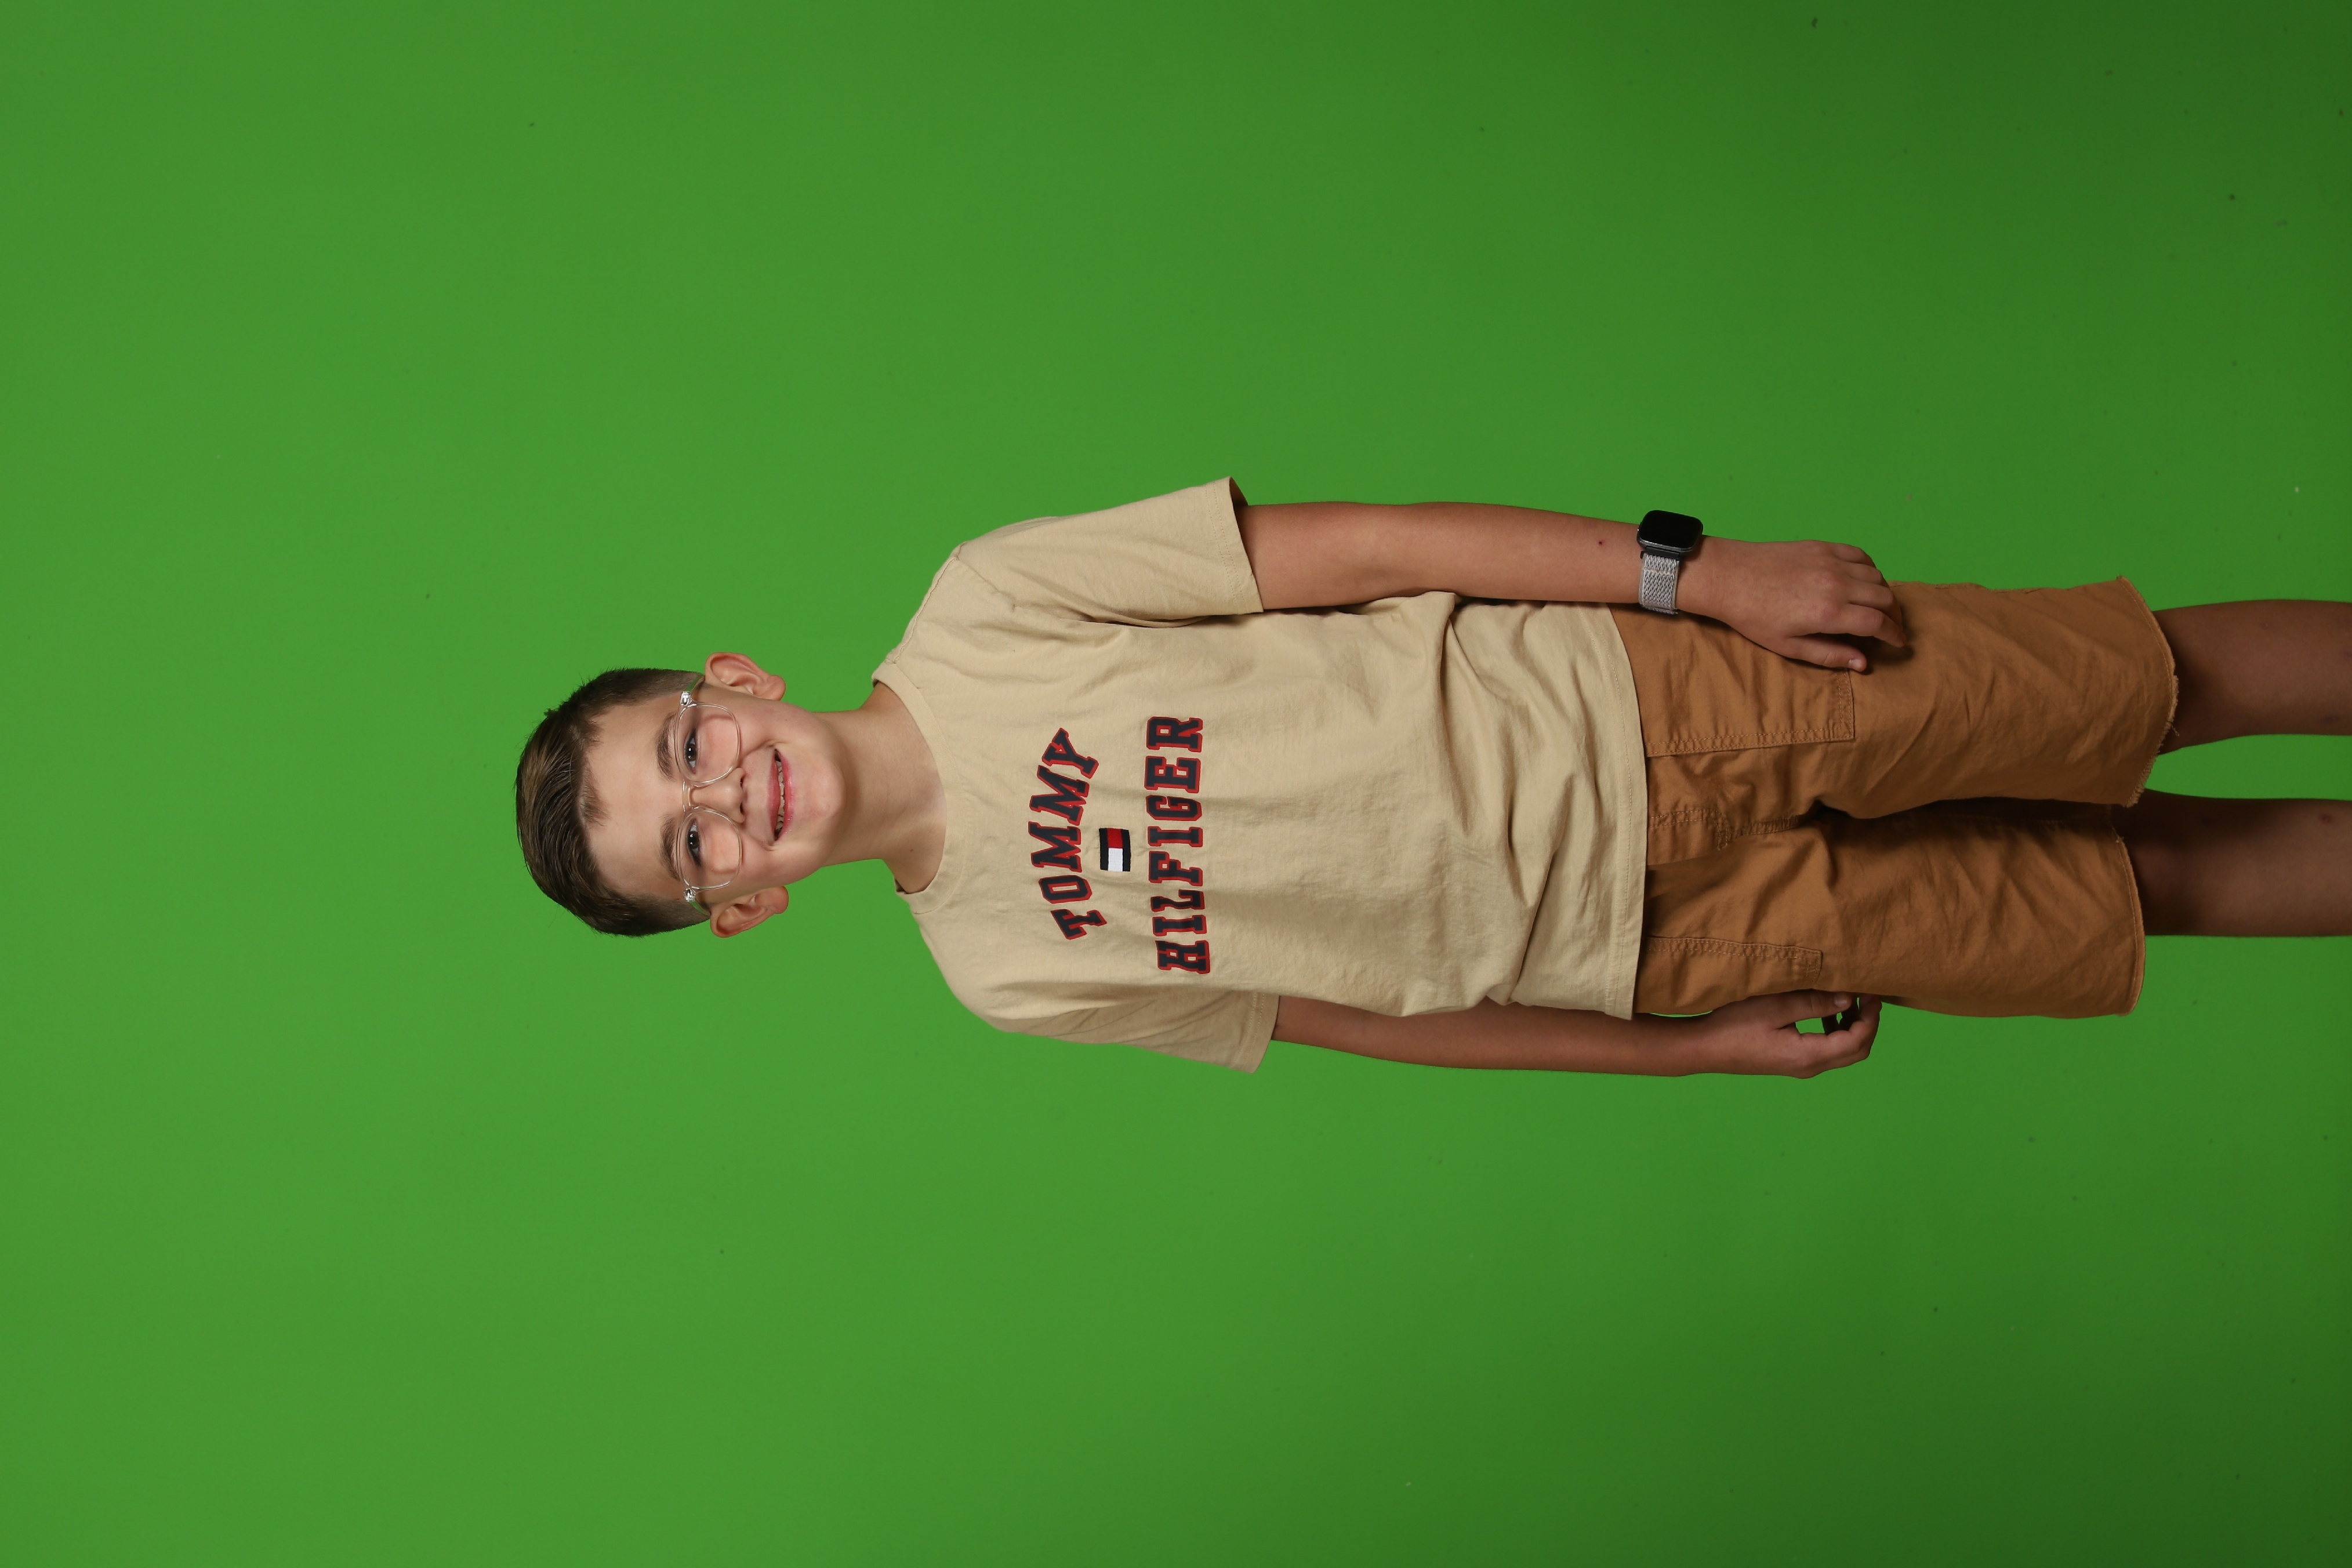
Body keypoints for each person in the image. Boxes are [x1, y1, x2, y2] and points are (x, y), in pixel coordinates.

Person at [513, 480, 2351, 1078]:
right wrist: (1686, 1050)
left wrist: (1693, 576)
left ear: (730, 682)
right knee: (2149, 888)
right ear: (738, 908)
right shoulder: (1003, 972)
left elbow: (1367, 546)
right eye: (691, 849)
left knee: (2143, 687)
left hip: (1649, 703)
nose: (726, 798)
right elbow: (1349, 1014)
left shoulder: (988, 602)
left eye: (686, 750)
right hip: (1653, 941)